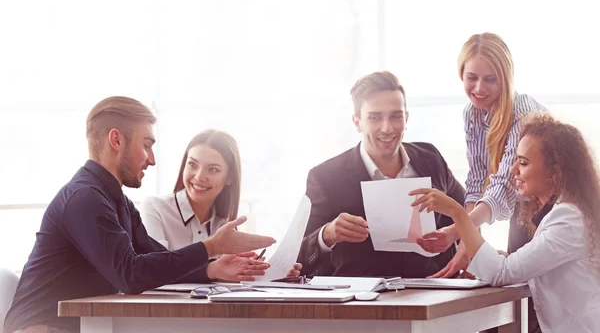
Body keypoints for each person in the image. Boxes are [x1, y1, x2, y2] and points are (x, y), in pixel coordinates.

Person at [4, 97, 275, 333]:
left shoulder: (116, 200)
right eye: (147, 145)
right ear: (116, 140)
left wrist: (211, 268)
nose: (152, 158)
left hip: (80, 327)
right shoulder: (84, 199)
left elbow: (153, 262)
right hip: (42, 329)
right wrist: (211, 247)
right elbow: (131, 275)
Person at [411, 113, 600, 333]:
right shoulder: (564, 214)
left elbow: (502, 273)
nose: (514, 171)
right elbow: (524, 264)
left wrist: (457, 212)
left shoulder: (568, 219)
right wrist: (501, 257)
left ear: (555, 171)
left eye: (524, 163)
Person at [296, 71, 465, 277]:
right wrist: (328, 234)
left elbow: (466, 213)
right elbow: (297, 257)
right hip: (364, 303)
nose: (387, 128)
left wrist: (465, 248)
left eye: (396, 116)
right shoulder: (326, 178)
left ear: (406, 117)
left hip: (435, 294)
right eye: (375, 118)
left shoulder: (430, 158)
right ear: (357, 122)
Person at [140, 129, 301, 280]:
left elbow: (232, 275)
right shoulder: (155, 208)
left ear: (229, 177)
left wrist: (272, 272)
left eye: (213, 170)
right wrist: (213, 269)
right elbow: (156, 269)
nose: (199, 177)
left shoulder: (223, 226)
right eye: (192, 164)